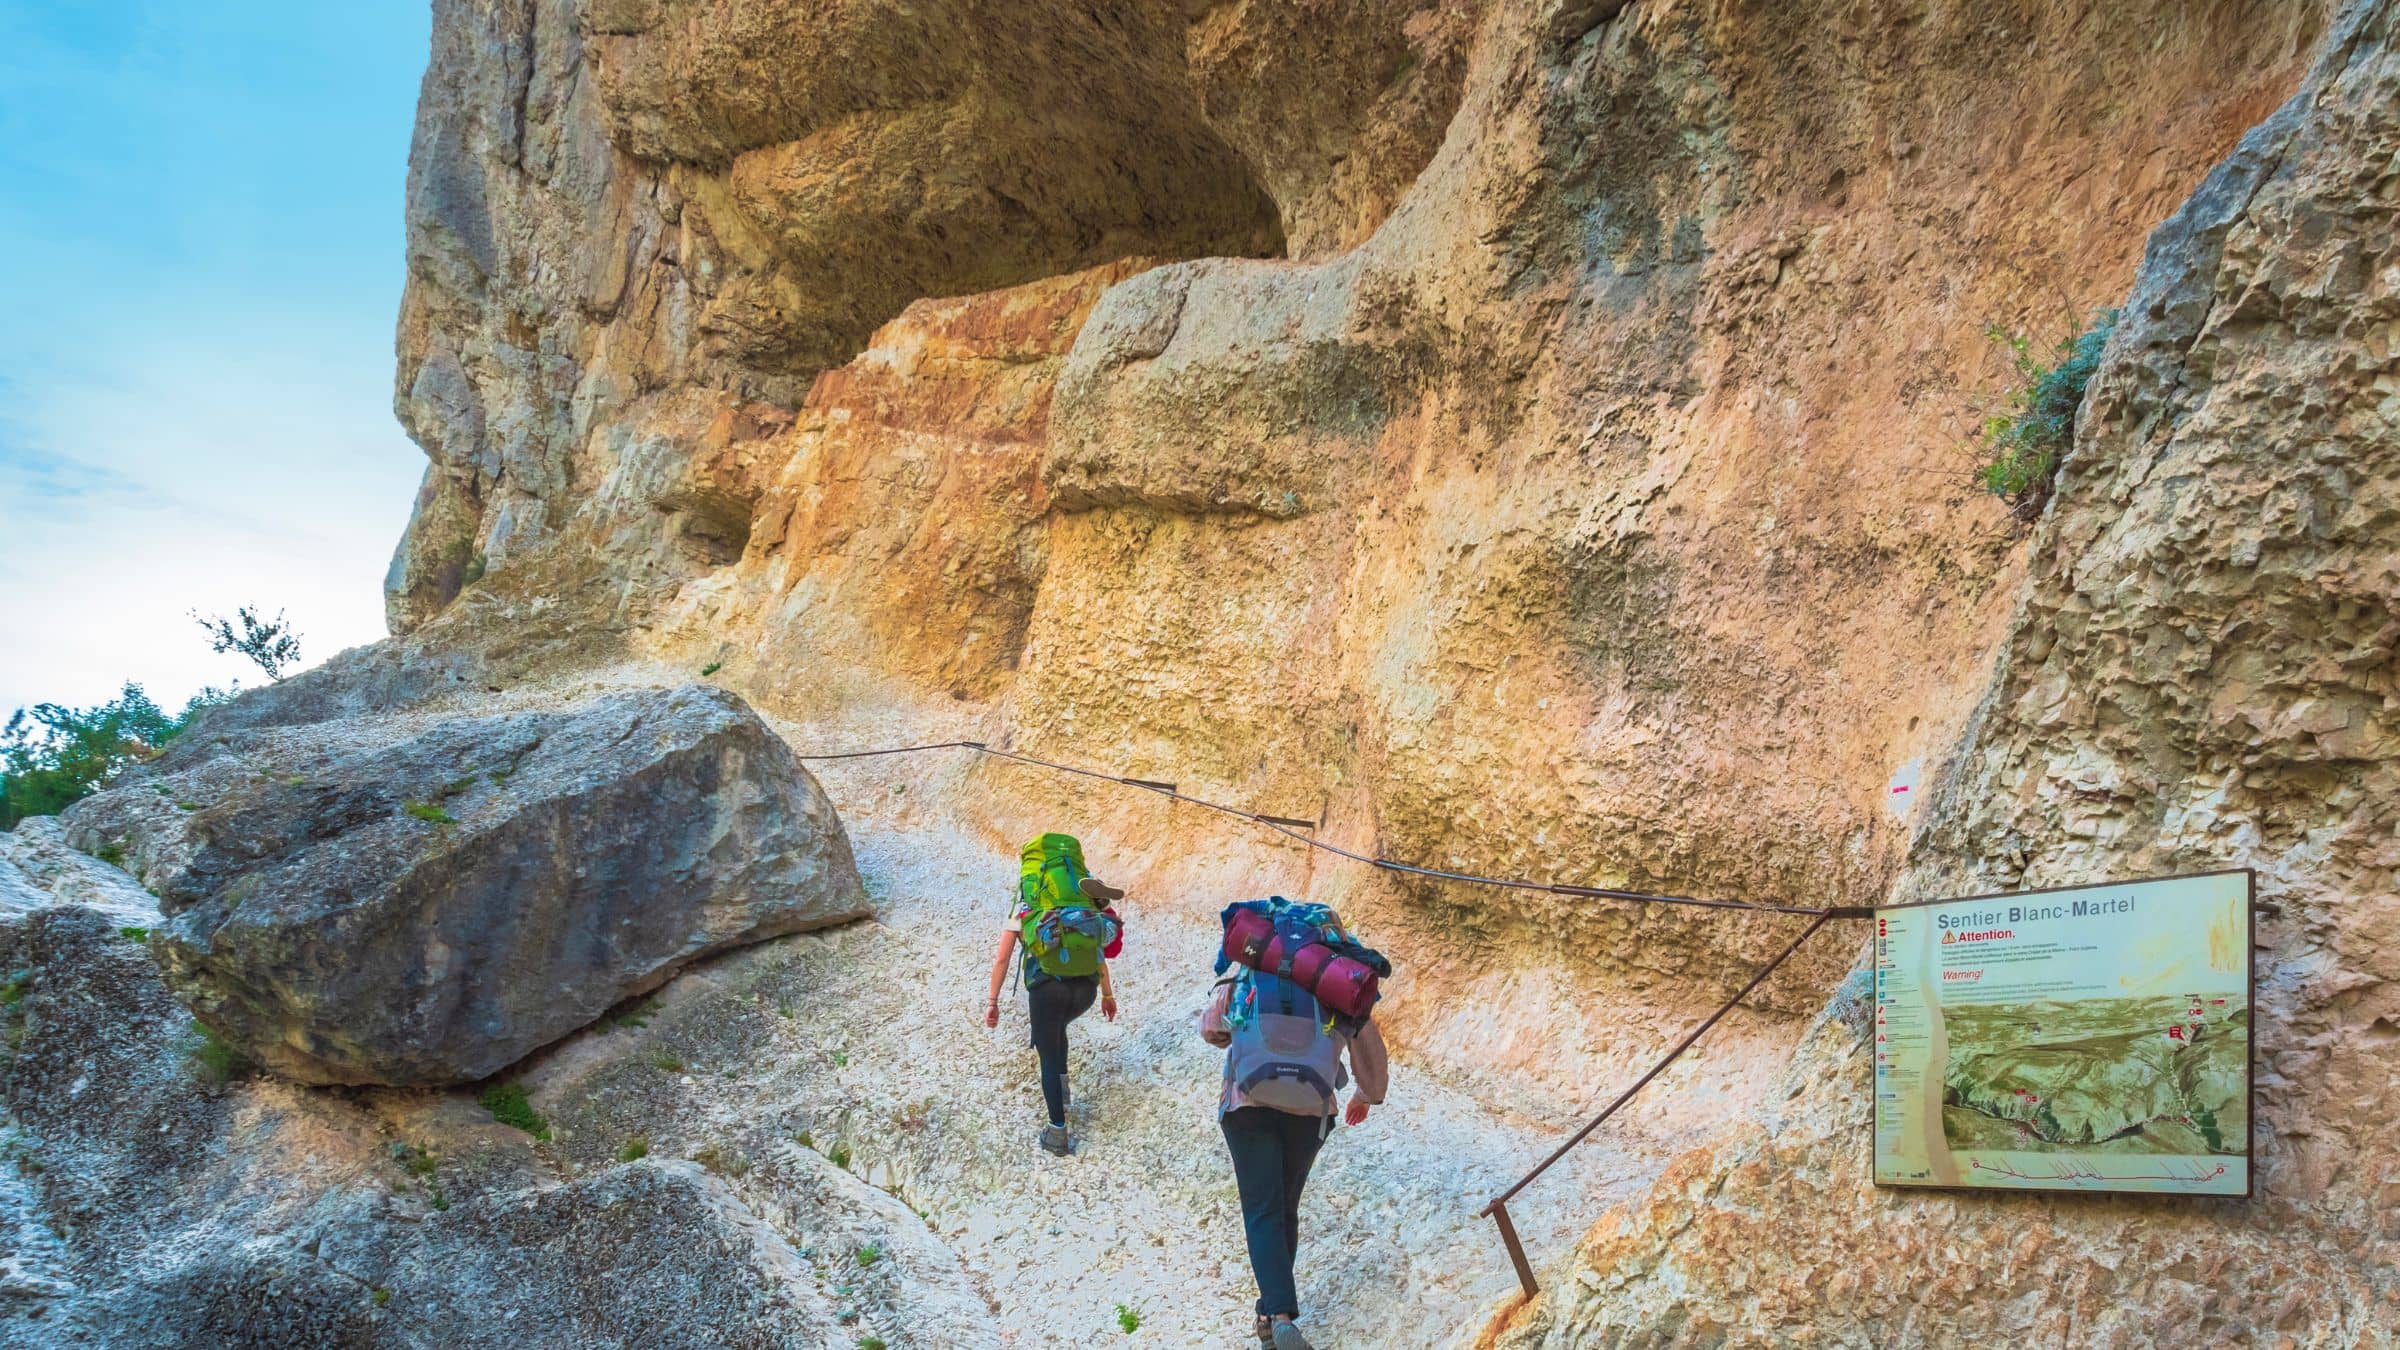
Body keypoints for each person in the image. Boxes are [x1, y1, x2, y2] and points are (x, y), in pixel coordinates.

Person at [1202, 953, 1387, 1350]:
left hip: (1247, 1104)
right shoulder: (1336, 982)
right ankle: (1269, 1317)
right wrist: (1365, 1094)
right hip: (1310, 1111)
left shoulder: (1252, 969)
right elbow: (1368, 1044)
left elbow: (1212, 1028)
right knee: (1285, 1206)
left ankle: (1280, 1316)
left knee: (1263, 1209)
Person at [983, 843, 1125, 1156]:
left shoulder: (1026, 903)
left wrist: (992, 1001)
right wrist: (1107, 993)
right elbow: (1095, 950)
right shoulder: (1079, 901)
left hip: (1048, 988)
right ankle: (1063, 1095)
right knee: (1058, 1029)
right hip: (1085, 990)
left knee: (1047, 1050)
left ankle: (1057, 1133)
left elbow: (1002, 958)